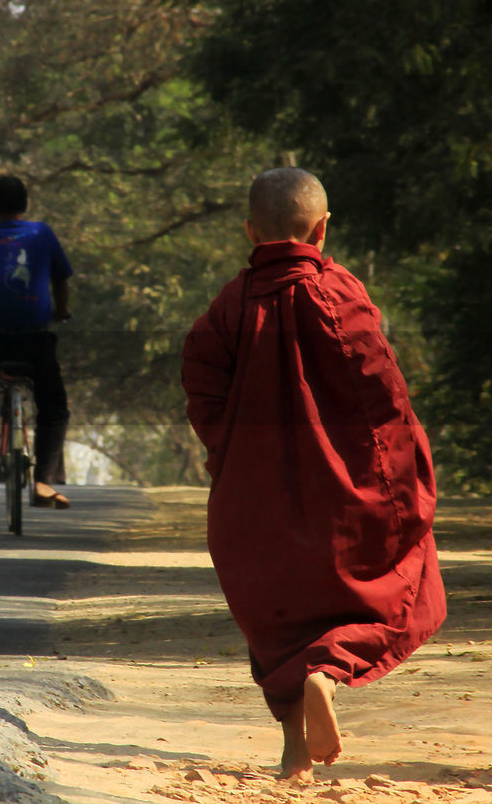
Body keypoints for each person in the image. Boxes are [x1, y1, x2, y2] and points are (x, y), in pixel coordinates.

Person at [180, 168, 446, 781]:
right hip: (343, 491)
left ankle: (294, 750)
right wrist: (406, 473)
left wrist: (229, 453)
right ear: (322, 229)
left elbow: (201, 378)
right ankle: (329, 671)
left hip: (255, 495)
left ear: (250, 231)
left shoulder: (231, 302)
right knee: (406, 585)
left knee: (278, 614)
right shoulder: (339, 293)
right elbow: (381, 392)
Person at [0, 175, 73, 508]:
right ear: (25, 205)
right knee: (54, 409)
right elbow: (61, 277)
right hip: (34, 339)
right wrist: (62, 310)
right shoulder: (42, 233)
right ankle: (43, 482)